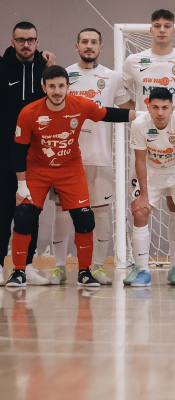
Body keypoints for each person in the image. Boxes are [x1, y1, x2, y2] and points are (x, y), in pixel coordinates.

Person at [7, 65, 139, 287]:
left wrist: (144, 115)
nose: (57, 91)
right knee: (23, 215)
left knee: (85, 217)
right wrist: (21, 184)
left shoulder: (80, 105)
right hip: (38, 170)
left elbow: (109, 114)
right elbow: (17, 150)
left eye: (61, 86)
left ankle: (84, 272)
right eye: (52, 86)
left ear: (68, 87)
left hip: (69, 169)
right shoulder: (29, 112)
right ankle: (18, 272)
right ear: (44, 88)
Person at [49, 28, 135, 285]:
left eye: (94, 42)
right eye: (84, 42)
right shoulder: (63, 76)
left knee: (101, 213)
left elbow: (129, 109)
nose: (89, 45)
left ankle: (97, 267)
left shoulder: (113, 77)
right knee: (62, 212)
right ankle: (59, 268)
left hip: (100, 157)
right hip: (66, 159)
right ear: (76, 46)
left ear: (101, 48)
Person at [121, 9, 175, 281]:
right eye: (157, 25)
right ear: (151, 30)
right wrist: (139, 114)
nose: (163, 29)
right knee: (140, 208)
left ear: (174, 30)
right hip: (150, 158)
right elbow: (119, 91)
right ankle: (141, 268)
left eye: (168, 25)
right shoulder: (134, 61)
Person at [0, 21, 57, 286]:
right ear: (12, 42)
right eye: (21, 40)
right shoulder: (2, 68)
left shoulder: (46, 70)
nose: (26, 44)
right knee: (3, 210)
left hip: (35, 155)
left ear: (37, 41)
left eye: (30, 40)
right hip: (4, 153)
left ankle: (28, 266)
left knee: (29, 211)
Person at [128, 88, 175, 287]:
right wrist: (143, 194)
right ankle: (143, 270)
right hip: (152, 172)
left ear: (172, 108)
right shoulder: (139, 124)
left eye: (165, 107)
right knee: (140, 212)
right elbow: (140, 160)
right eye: (155, 107)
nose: (160, 112)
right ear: (148, 108)